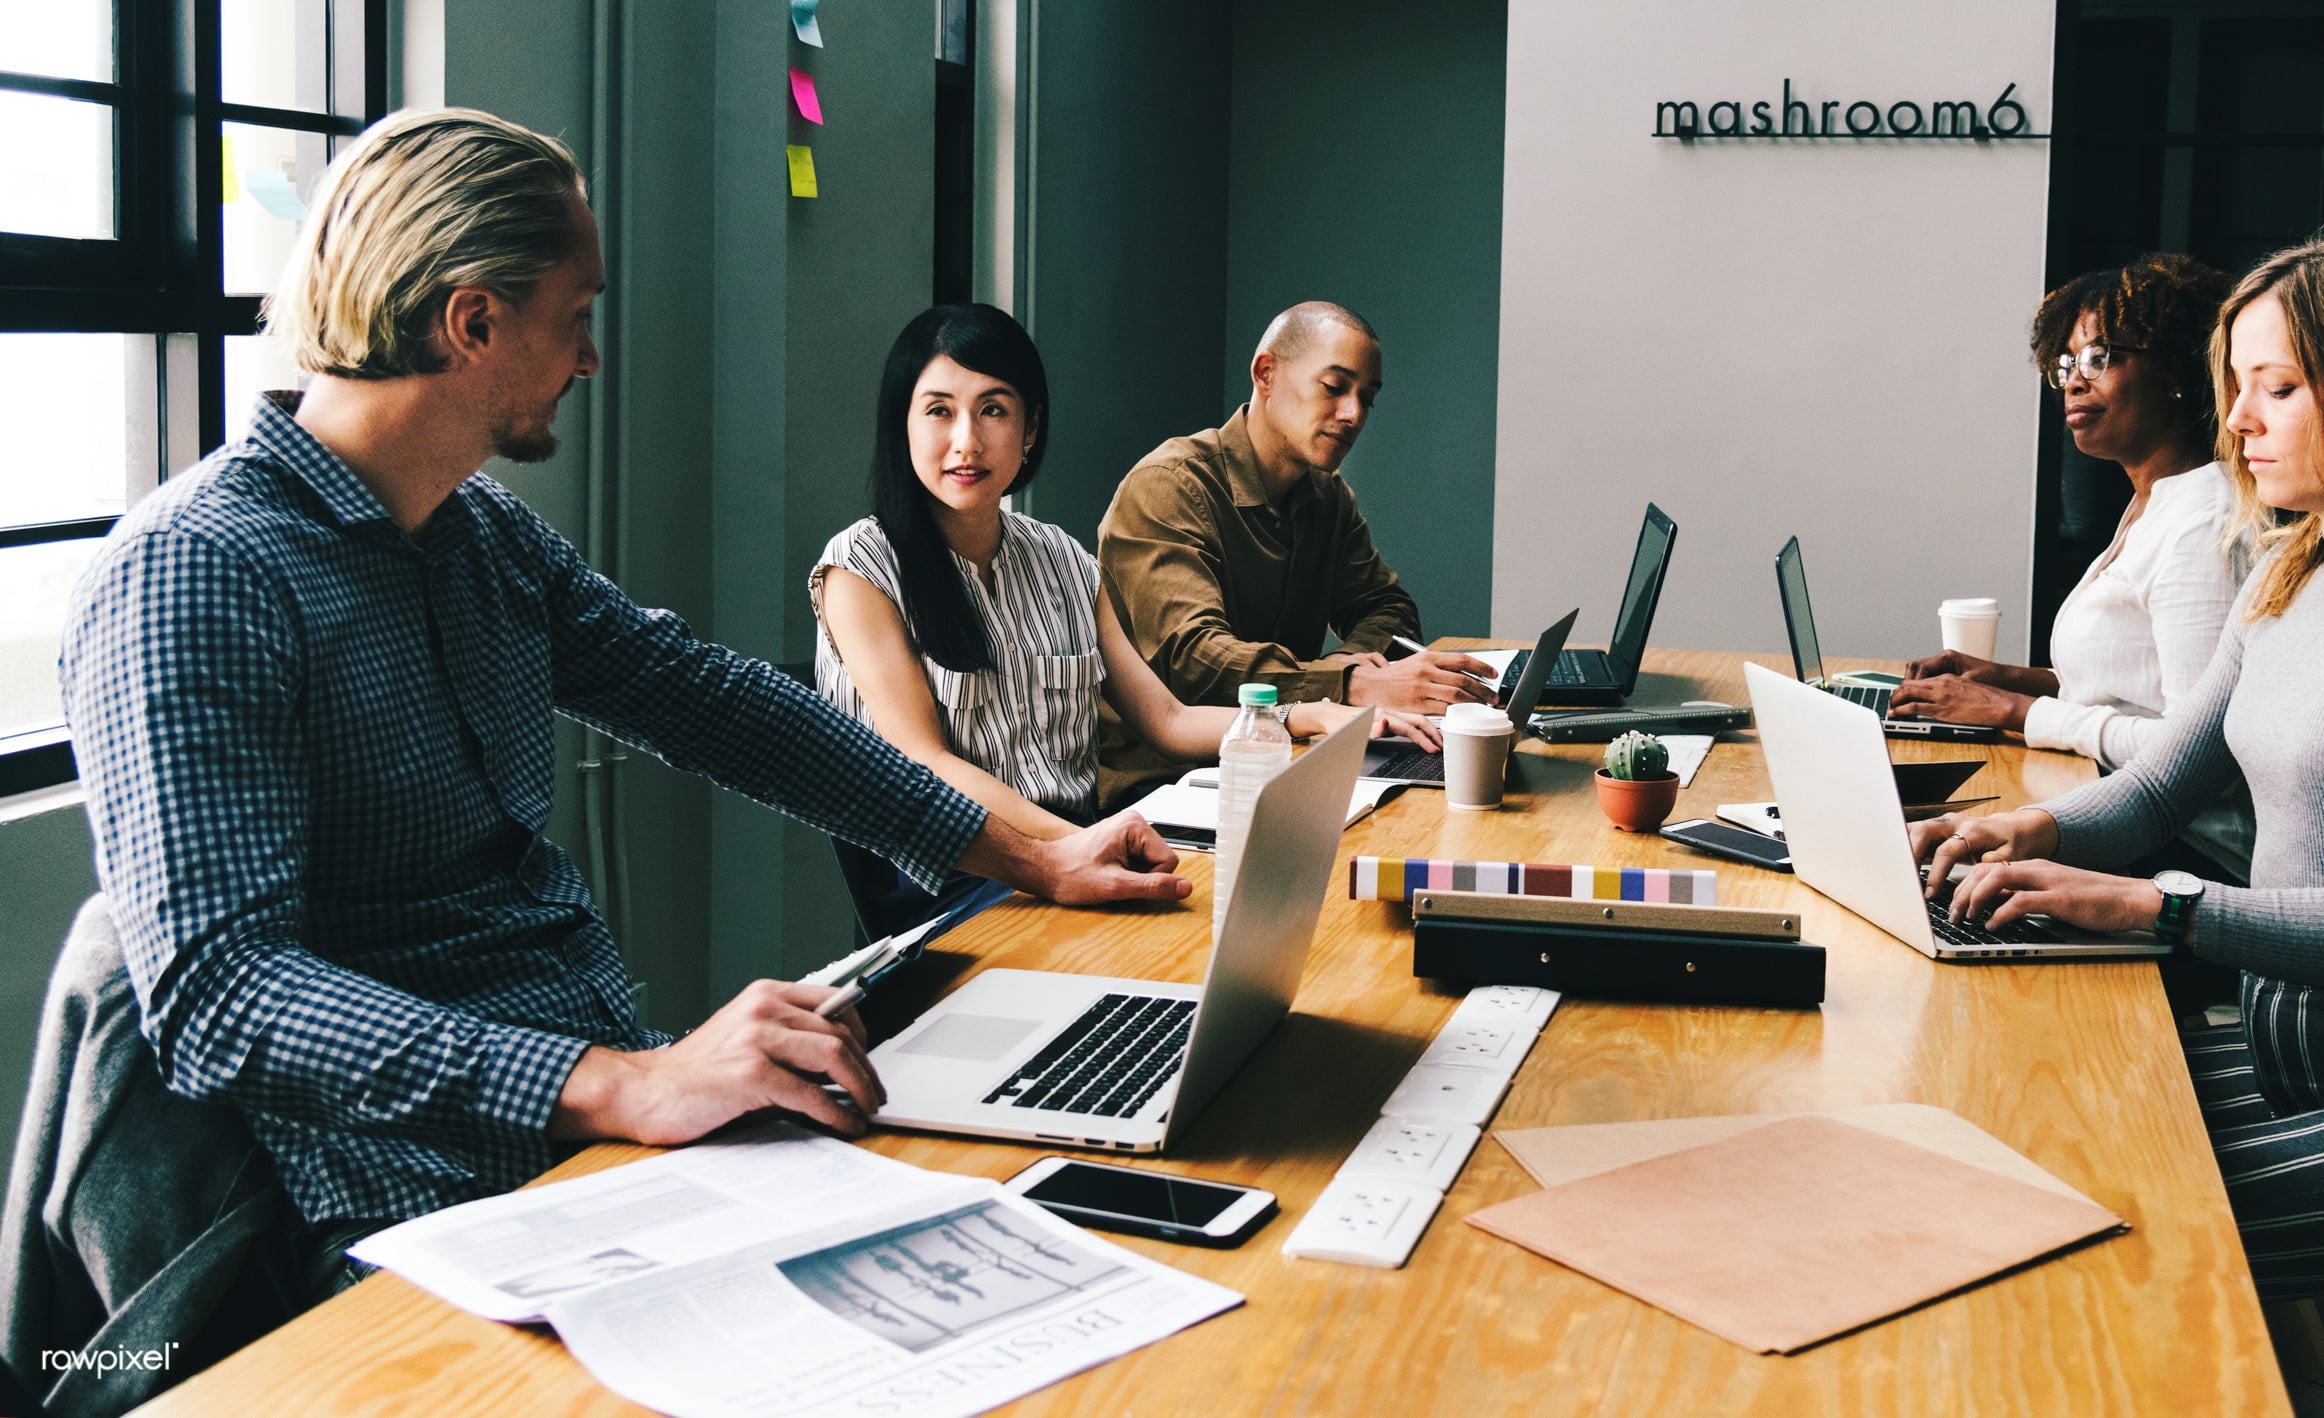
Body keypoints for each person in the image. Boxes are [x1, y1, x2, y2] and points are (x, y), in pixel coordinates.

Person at [56, 109, 1187, 1299]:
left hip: (588, 1148)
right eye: (576, 313)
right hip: (390, 1212)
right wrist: (627, 1081)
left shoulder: (478, 532)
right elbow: (223, 994)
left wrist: (1032, 856)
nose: (590, 356)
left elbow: (709, 700)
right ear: (475, 319)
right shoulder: (195, 571)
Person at [1910, 221, 2324, 1298]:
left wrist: (2153, 906)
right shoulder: (2291, 568)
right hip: (2284, 1057)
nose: (2234, 419)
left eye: (2274, 388)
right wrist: (2018, 830)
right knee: (1991, 1147)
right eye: (2236, 384)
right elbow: (2157, 787)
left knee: (2084, 1249)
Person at [809, 304, 1435, 860]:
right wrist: (1077, 844)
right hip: (961, 878)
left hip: (1086, 846)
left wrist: (1314, 714)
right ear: (904, 425)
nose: (966, 441)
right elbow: (927, 764)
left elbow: (1166, 718)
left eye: (993, 409)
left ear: (1029, 431)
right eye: (939, 411)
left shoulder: (1061, 559)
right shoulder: (859, 566)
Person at [1891, 253, 2254, 883]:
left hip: (2186, 855)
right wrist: (2014, 679)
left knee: (1918, 864)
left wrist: (2011, 709)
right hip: (2117, 811)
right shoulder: (2153, 502)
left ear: (2172, 369)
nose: (2073, 382)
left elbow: (2194, 755)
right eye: (2065, 364)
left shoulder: (2202, 521)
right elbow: (2132, 686)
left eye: (2098, 358)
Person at [1092, 302, 1496, 795]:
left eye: (1367, 398)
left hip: (1294, 757)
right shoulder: (1168, 487)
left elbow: (1387, 608)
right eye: (1334, 387)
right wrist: (1346, 685)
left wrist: (1352, 672)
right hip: (1172, 783)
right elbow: (1194, 662)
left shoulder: (1326, 495)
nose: (1353, 414)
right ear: (1266, 374)